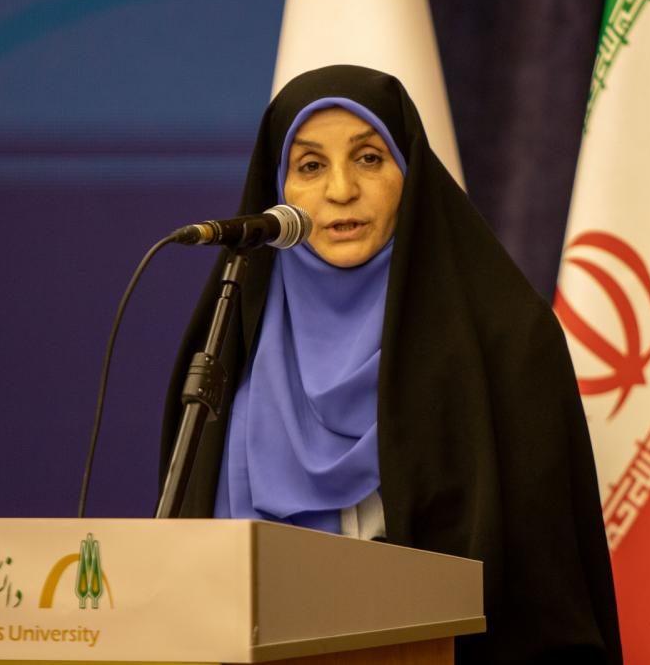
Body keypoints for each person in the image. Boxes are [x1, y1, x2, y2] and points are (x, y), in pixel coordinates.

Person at [160, 65, 622, 664]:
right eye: (310, 166)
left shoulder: (506, 339)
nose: (341, 190)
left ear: (411, 172)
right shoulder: (229, 339)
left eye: (369, 159)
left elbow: (547, 593)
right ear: (278, 190)